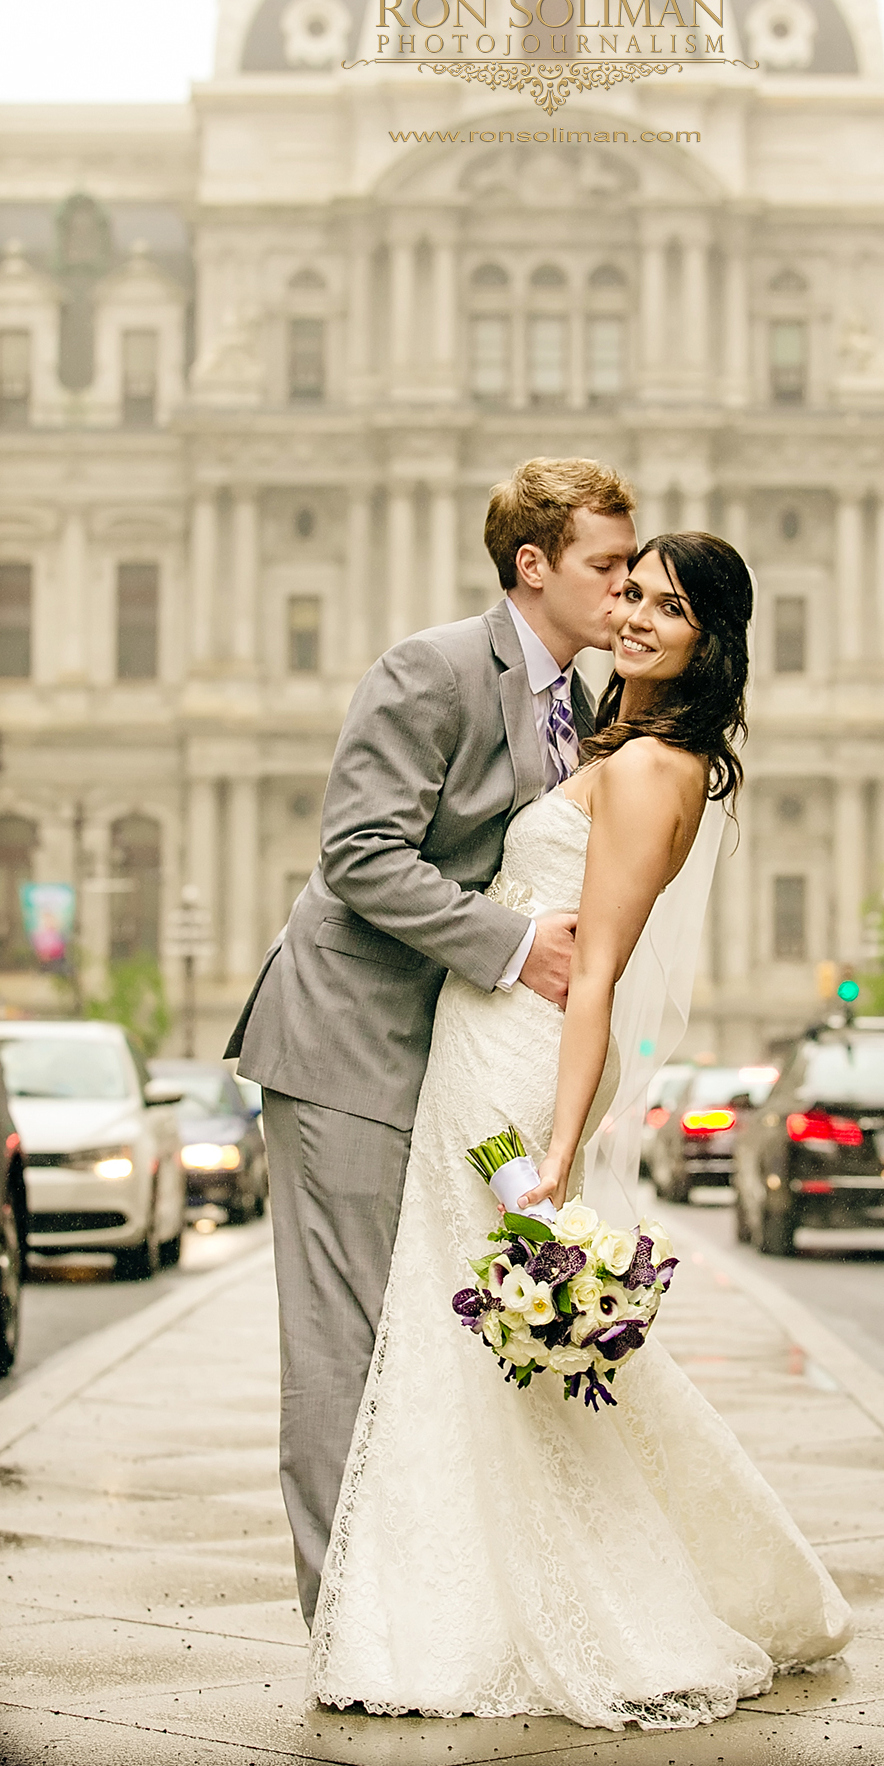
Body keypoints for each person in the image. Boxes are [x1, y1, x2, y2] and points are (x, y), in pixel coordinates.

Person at [309, 532, 852, 1731]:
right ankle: (464, 1601)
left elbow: (598, 974)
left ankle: (526, 1616)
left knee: (476, 1347)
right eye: (633, 591)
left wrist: (557, 1154)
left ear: (712, 638)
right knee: (455, 1344)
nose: (636, 614)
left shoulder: (658, 763)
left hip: (515, 1072)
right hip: (480, 1050)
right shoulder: (619, 742)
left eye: (668, 606)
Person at [225, 458, 640, 1627]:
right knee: (341, 1346)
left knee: (431, 1335)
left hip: (457, 1059)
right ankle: (345, 1625)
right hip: (348, 1042)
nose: (622, 588)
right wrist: (517, 948)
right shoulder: (435, 667)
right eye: (605, 566)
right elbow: (359, 854)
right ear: (534, 566)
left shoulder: (583, 704)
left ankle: (424, 1607)